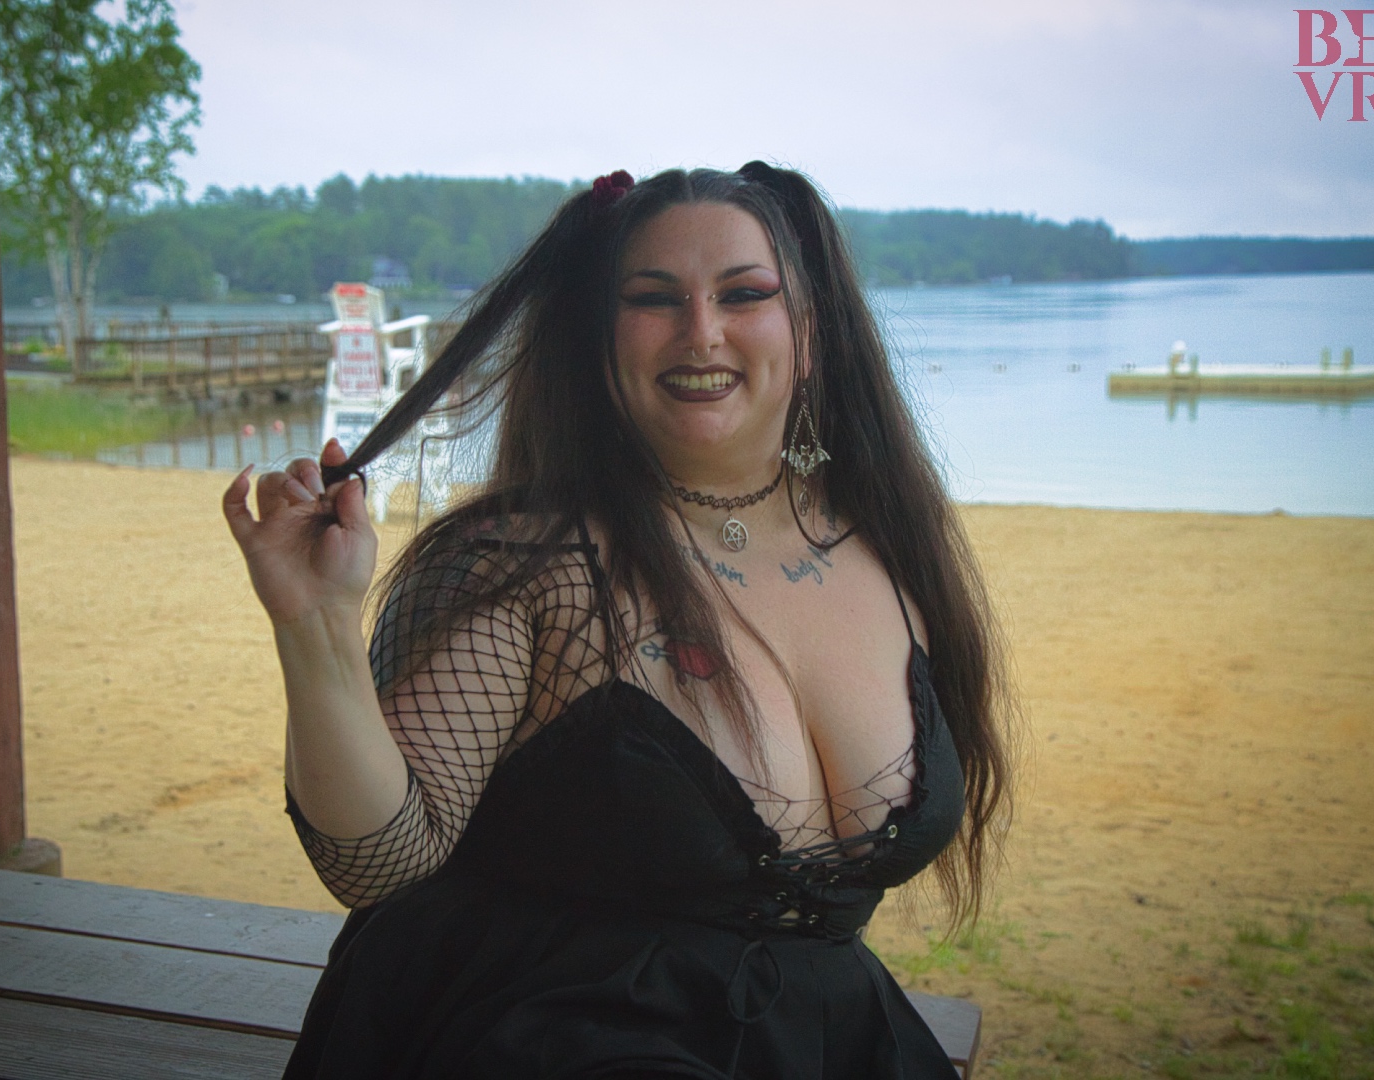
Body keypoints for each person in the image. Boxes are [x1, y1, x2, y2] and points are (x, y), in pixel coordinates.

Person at [223, 163, 1012, 1079]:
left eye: (744, 294)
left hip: (829, 1041)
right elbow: (375, 863)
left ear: (811, 334)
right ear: (598, 339)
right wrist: (315, 623)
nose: (701, 331)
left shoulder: (889, 545)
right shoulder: (524, 563)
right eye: (653, 298)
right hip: (549, 1039)